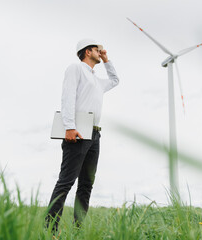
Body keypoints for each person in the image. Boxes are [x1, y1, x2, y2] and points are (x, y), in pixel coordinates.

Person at [46, 39, 119, 231]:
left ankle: (77, 230)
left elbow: (114, 80)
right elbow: (67, 96)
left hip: (94, 134)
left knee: (86, 185)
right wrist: (69, 126)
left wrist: (106, 60)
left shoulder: (96, 79)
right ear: (87, 52)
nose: (100, 52)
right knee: (66, 181)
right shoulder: (75, 69)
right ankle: (50, 229)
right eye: (97, 50)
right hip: (77, 131)